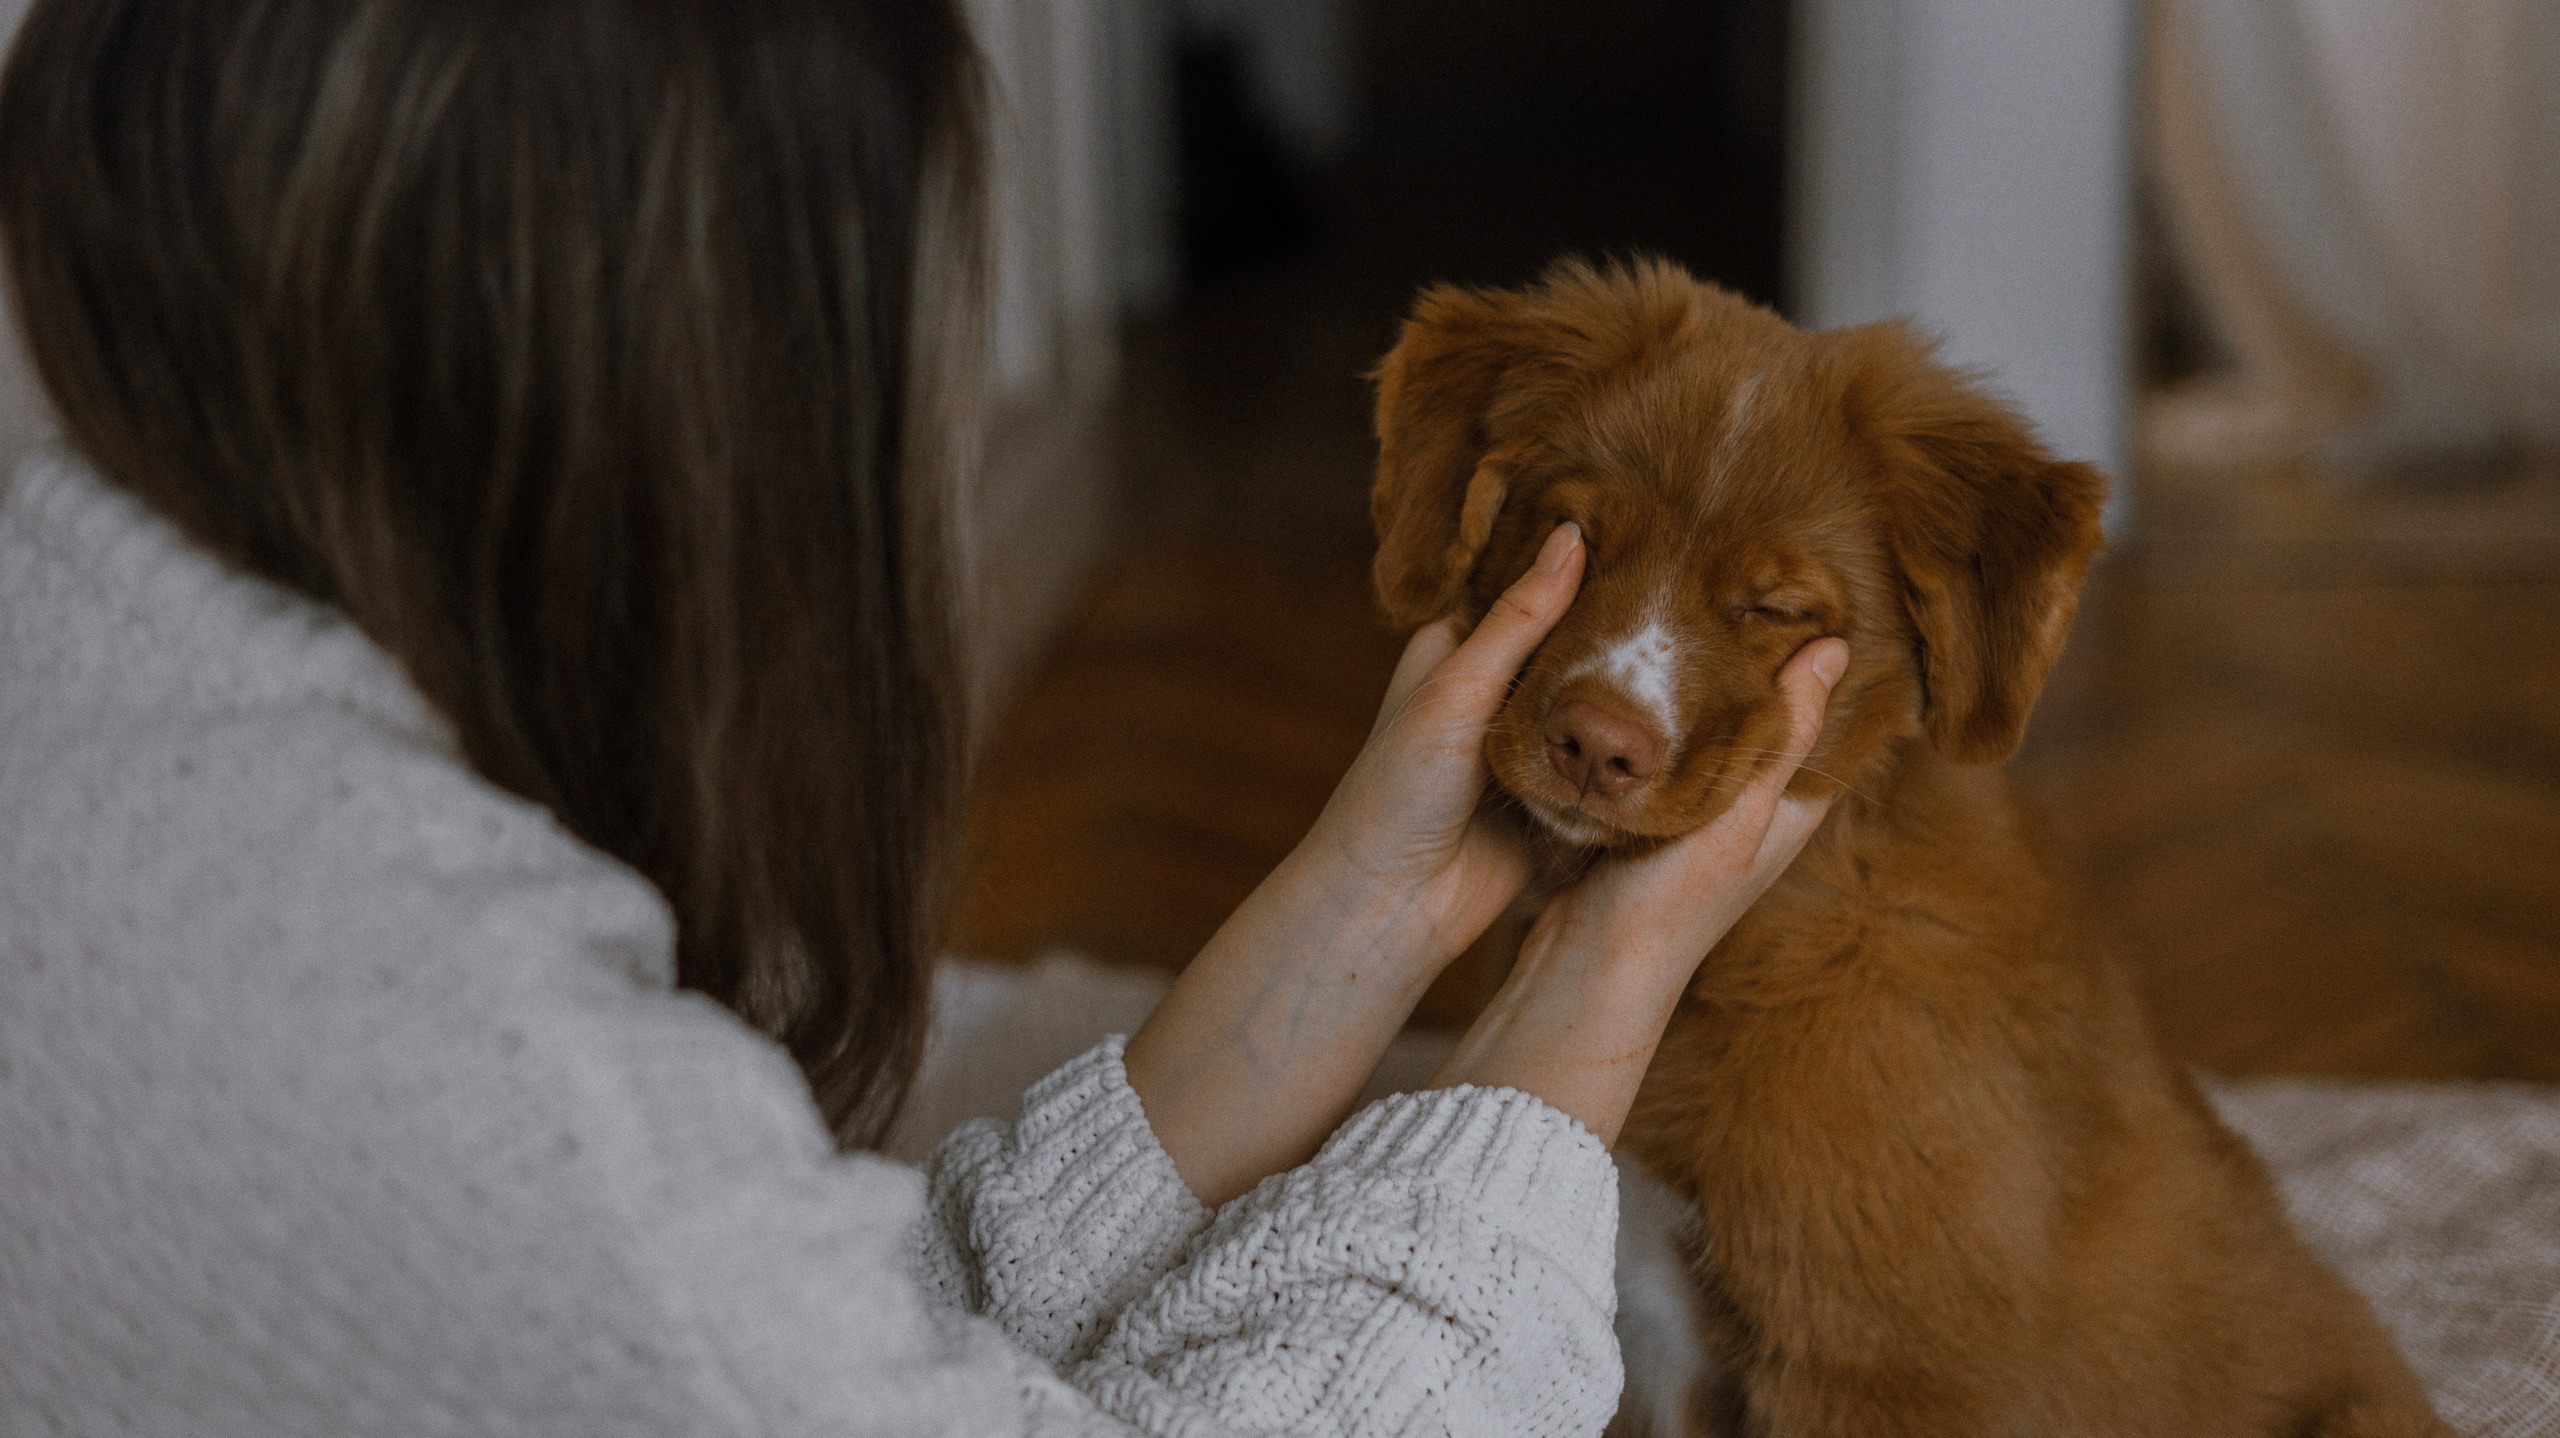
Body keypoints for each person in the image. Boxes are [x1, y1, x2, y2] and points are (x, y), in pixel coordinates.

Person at [0, 0, 1846, 1431]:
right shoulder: (532, 1108)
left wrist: (1377, 913)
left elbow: (816, 1340)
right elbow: (691, 1302)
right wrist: (1584, 1014)